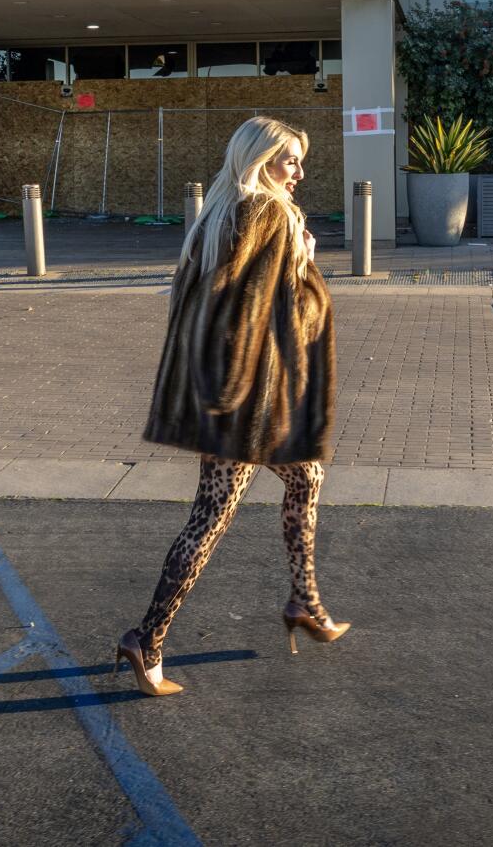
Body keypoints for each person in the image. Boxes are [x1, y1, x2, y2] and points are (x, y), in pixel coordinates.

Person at [114, 115, 348, 696]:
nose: (299, 170)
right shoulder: (268, 213)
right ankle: (148, 639)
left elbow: (211, 303)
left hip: (223, 387)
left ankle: (305, 600)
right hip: (243, 396)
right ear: (261, 160)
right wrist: (308, 267)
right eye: (289, 159)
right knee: (211, 518)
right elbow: (271, 314)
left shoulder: (221, 213)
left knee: (303, 477)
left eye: (299, 159)